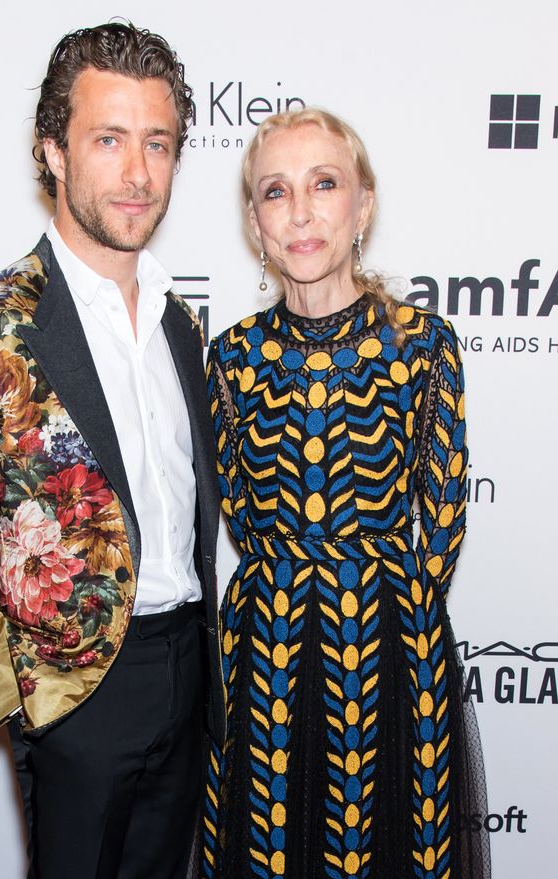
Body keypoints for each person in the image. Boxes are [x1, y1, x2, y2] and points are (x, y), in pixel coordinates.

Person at [0, 22, 223, 879]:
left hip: (190, 672)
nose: (139, 172)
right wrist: (22, 696)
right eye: (108, 140)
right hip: (77, 696)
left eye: (158, 142)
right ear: (55, 153)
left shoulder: (184, 328)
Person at [198, 109, 490, 879]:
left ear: (362, 206)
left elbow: (444, 516)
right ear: (255, 224)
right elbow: (233, 503)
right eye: (275, 191)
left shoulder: (423, 346)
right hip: (267, 656)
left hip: (394, 653)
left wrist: (396, 626)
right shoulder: (229, 359)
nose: (300, 211)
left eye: (324, 184)